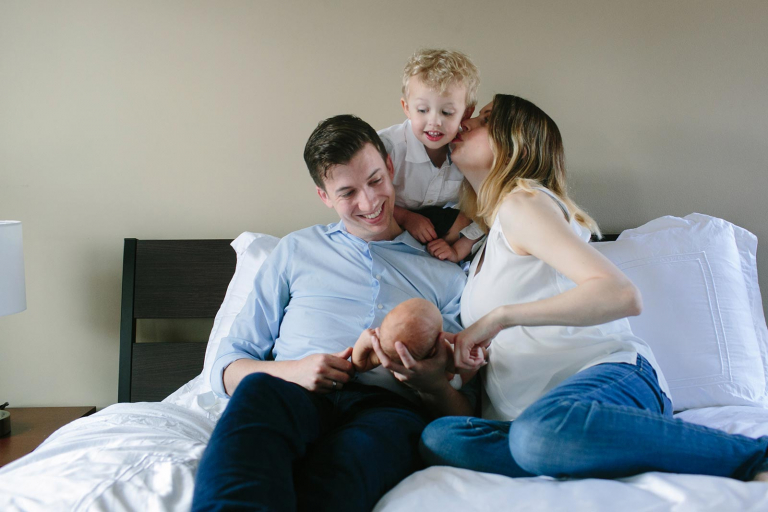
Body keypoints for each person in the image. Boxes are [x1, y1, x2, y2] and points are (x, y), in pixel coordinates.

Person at [397, 94, 768, 481]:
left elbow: (620, 294)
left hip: (610, 382)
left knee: (539, 435)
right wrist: (438, 381)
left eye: (486, 119)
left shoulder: (522, 204)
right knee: (441, 438)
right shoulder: (484, 245)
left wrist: (500, 318)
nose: (467, 122)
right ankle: (572, 447)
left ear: (515, 142)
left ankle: (756, 454)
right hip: (537, 417)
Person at [192, 115, 477, 512]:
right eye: (347, 192)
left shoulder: (447, 276)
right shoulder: (295, 251)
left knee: (344, 475)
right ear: (324, 196)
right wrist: (294, 371)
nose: (369, 202)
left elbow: (467, 410)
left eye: (376, 180)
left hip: (387, 408)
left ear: (390, 167)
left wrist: (432, 385)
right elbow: (226, 366)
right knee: (255, 408)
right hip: (291, 390)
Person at [378, 48, 485, 263]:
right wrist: (406, 217)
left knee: (465, 221)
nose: (434, 121)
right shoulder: (387, 147)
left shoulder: (467, 153)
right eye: (422, 110)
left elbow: (488, 211)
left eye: (446, 112)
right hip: (385, 222)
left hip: (432, 229)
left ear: (466, 113)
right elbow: (366, 199)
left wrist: (459, 248)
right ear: (406, 108)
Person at [352, 298, 470, 389]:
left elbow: (360, 365)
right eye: (442, 328)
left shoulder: (386, 356)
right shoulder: (444, 353)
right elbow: (461, 366)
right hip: (447, 383)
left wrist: (362, 344)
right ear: (435, 348)